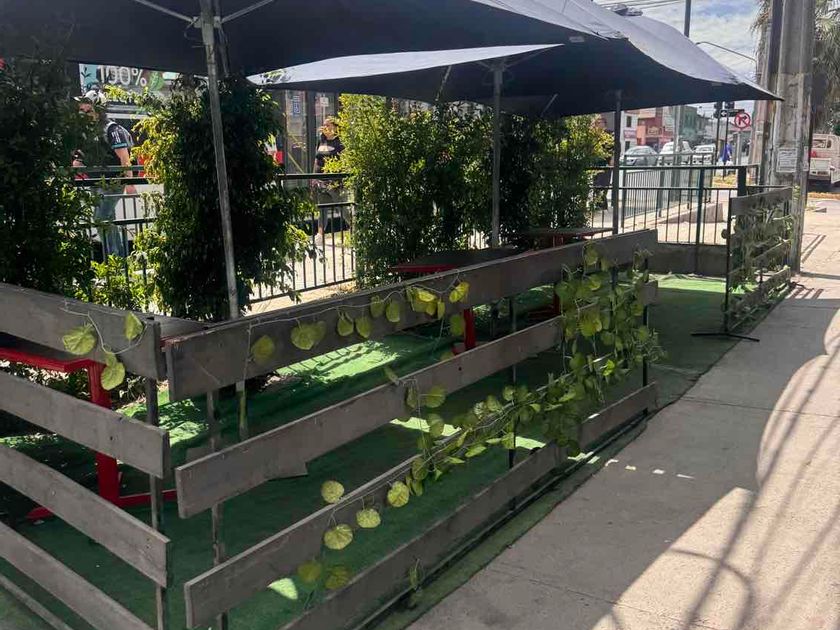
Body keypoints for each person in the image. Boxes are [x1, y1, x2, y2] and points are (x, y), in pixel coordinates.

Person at [76, 89, 135, 257]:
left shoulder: (111, 129)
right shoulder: (89, 131)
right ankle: (119, 259)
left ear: (98, 110)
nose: (84, 114)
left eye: (88, 110)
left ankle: (114, 258)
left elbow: (124, 157)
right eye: (82, 110)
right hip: (96, 182)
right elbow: (85, 153)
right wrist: (78, 161)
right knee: (107, 219)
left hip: (112, 182)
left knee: (100, 219)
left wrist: (129, 183)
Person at [312, 117, 344, 244]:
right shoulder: (321, 140)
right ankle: (320, 235)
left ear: (335, 127)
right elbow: (317, 159)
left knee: (343, 208)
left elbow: (343, 161)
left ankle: (355, 231)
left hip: (334, 183)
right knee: (322, 209)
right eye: (324, 125)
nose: (325, 127)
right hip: (321, 181)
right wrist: (313, 177)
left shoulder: (339, 142)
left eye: (328, 125)